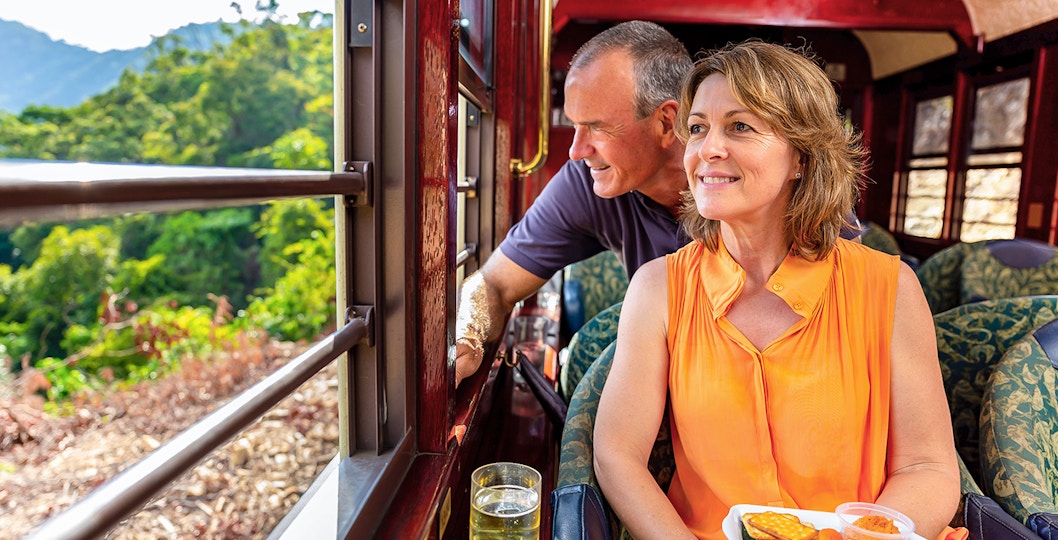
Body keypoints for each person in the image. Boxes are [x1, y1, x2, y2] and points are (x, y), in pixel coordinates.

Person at [592, 39, 960, 540]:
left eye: (740, 126)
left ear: (802, 159)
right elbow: (618, 454)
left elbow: (927, 469)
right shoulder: (658, 288)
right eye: (697, 128)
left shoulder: (890, 287)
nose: (707, 149)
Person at [454, 22, 861, 387]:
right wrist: (466, 340)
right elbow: (495, 282)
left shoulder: (785, 191)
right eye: (574, 125)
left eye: (596, 127)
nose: (577, 150)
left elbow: (846, 341)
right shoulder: (589, 181)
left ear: (667, 122)